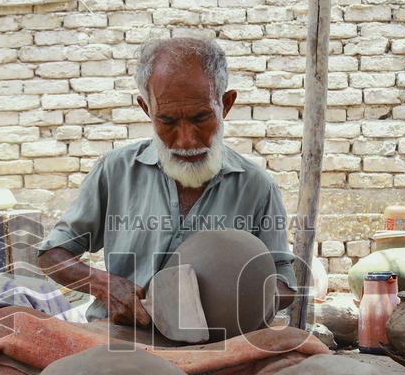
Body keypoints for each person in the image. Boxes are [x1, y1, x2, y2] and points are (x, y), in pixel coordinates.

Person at [37, 37, 298, 327]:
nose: (186, 140)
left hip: (214, 345)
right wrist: (103, 284)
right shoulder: (115, 171)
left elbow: (283, 281)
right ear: (146, 109)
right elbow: (51, 254)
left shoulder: (257, 187)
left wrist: (237, 298)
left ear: (225, 105)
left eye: (201, 119)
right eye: (168, 121)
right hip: (121, 337)